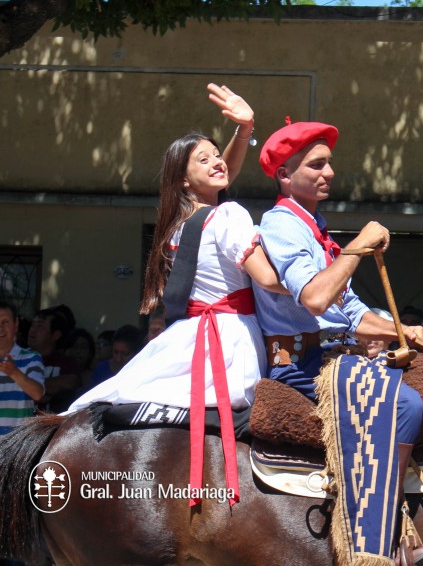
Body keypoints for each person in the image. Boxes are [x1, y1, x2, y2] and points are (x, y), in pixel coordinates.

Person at [67, 83, 282, 507]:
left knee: (121, 392)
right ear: (185, 177)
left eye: (218, 154)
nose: (219, 162)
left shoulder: (184, 223)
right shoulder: (229, 215)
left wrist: (244, 130)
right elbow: (271, 281)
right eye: (204, 159)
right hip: (230, 341)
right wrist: (329, 271)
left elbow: (219, 183)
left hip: (195, 335)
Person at [252, 119, 423, 565]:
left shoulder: (317, 231)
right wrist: (359, 246)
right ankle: (383, 529)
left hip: (333, 354)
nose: (327, 172)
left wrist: (400, 330)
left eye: (329, 163)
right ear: (284, 175)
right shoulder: (280, 224)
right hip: (301, 363)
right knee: (406, 406)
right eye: (315, 165)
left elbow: (353, 316)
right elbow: (315, 298)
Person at [0, 304, 44, 566]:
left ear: (16, 326)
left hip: (15, 451)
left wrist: (14, 372)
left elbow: (38, 393)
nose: (0, 328)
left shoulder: (31, 358)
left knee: (14, 519)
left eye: (6, 322)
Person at [28, 306, 80, 413]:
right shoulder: (17, 358)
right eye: (32, 324)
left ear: (56, 335)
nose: (33, 329)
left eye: (40, 326)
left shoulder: (67, 362)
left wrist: (30, 389)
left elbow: (71, 382)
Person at [88, 324, 144, 388]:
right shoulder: (101, 370)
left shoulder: (143, 372)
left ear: (138, 353)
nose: (118, 359)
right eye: (115, 352)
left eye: (125, 354)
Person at [65, 327, 96, 393]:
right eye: (74, 346)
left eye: (83, 347)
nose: (78, 351)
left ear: (90, 353)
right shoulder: (57, 372)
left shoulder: (93, 376)